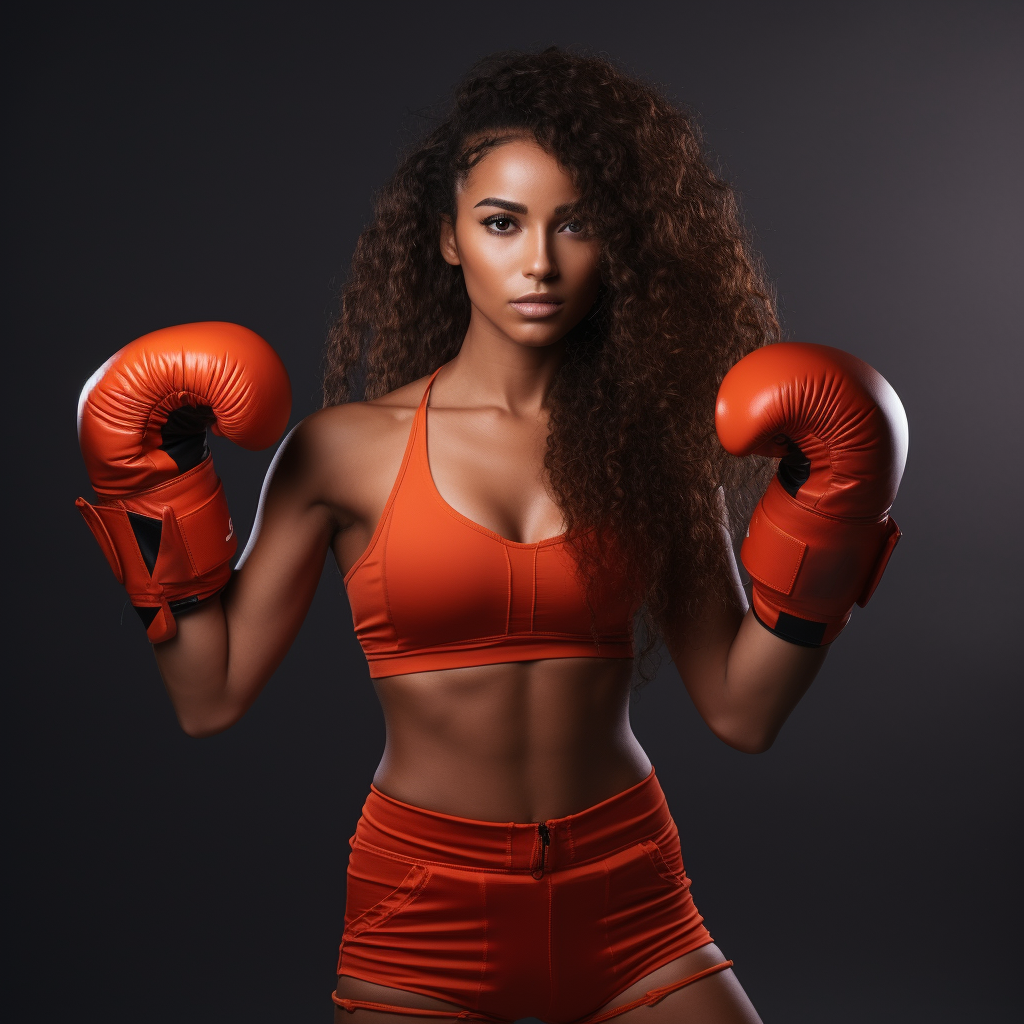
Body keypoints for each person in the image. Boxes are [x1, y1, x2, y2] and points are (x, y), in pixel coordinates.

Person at [75, 49, 907, 1024]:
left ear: (619, 244)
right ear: (447, 238)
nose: (540, 262)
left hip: (627, 890)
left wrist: (830, 522)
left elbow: (741, 710)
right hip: (424, 904)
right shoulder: (344, 453)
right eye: (502, 223)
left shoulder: (654, 456)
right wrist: (155, 484)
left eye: (577, 225)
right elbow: (207, 697)